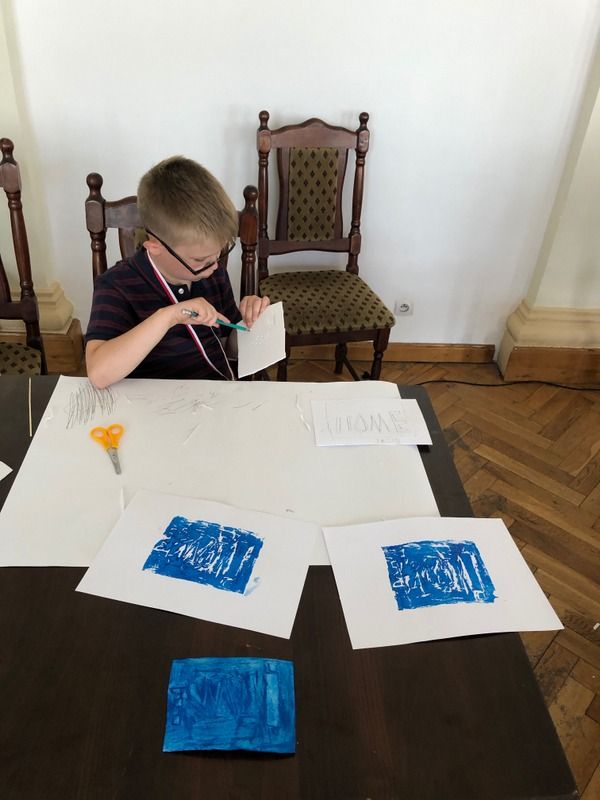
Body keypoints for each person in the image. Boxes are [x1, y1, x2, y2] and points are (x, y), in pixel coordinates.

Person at [85, 156, 269, 388]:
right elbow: (98, 373)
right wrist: (169, 316)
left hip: (218, 395)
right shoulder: (116, 285)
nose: (214, 265)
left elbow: (228, 349)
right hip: (153, 403)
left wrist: (248, 326)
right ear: (155, 247)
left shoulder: (212, 274)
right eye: (200, 259)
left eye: (220, 253)